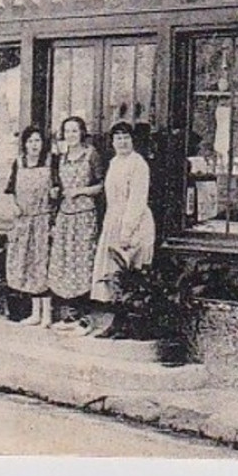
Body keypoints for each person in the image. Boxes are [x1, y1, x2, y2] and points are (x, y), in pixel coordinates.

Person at [89, 121, 158, 339]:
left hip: (134, 223)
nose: (122, 142)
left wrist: (127, 231)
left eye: (126, 137)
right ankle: (116, 323)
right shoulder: (115, 162)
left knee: (131, 275)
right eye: (118, 138)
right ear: (112, 142)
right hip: (114, 220)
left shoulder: (138, 164)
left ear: (132, 140)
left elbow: (137, 200)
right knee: (114, 275)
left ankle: (130, 325)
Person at [46, 116, 103, 336]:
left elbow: (100, 185)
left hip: (84, 216)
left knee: (83, 263)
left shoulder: (91, 155)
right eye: (67, 131)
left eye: (75, 131)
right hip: (65, 215)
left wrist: (80, 191)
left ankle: (85, 318)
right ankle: (70, 315)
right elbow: (58, 186)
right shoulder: (61, 157)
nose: (71, 135)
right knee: (65, 262)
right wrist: (56, 193)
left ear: (82, 133)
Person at [3, 124, 59, 327]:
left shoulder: (51, 162)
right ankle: (35, 313)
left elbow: (58, 189)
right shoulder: (19, 163)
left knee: (42, 266)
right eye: (31, 141)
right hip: (24, 222)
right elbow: (9, 190)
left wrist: (55, 194)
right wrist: (15, 206)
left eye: (38, 141)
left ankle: (47, 315)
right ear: (25, 144)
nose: (34, 145)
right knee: (28, 266)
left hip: (43, 220)